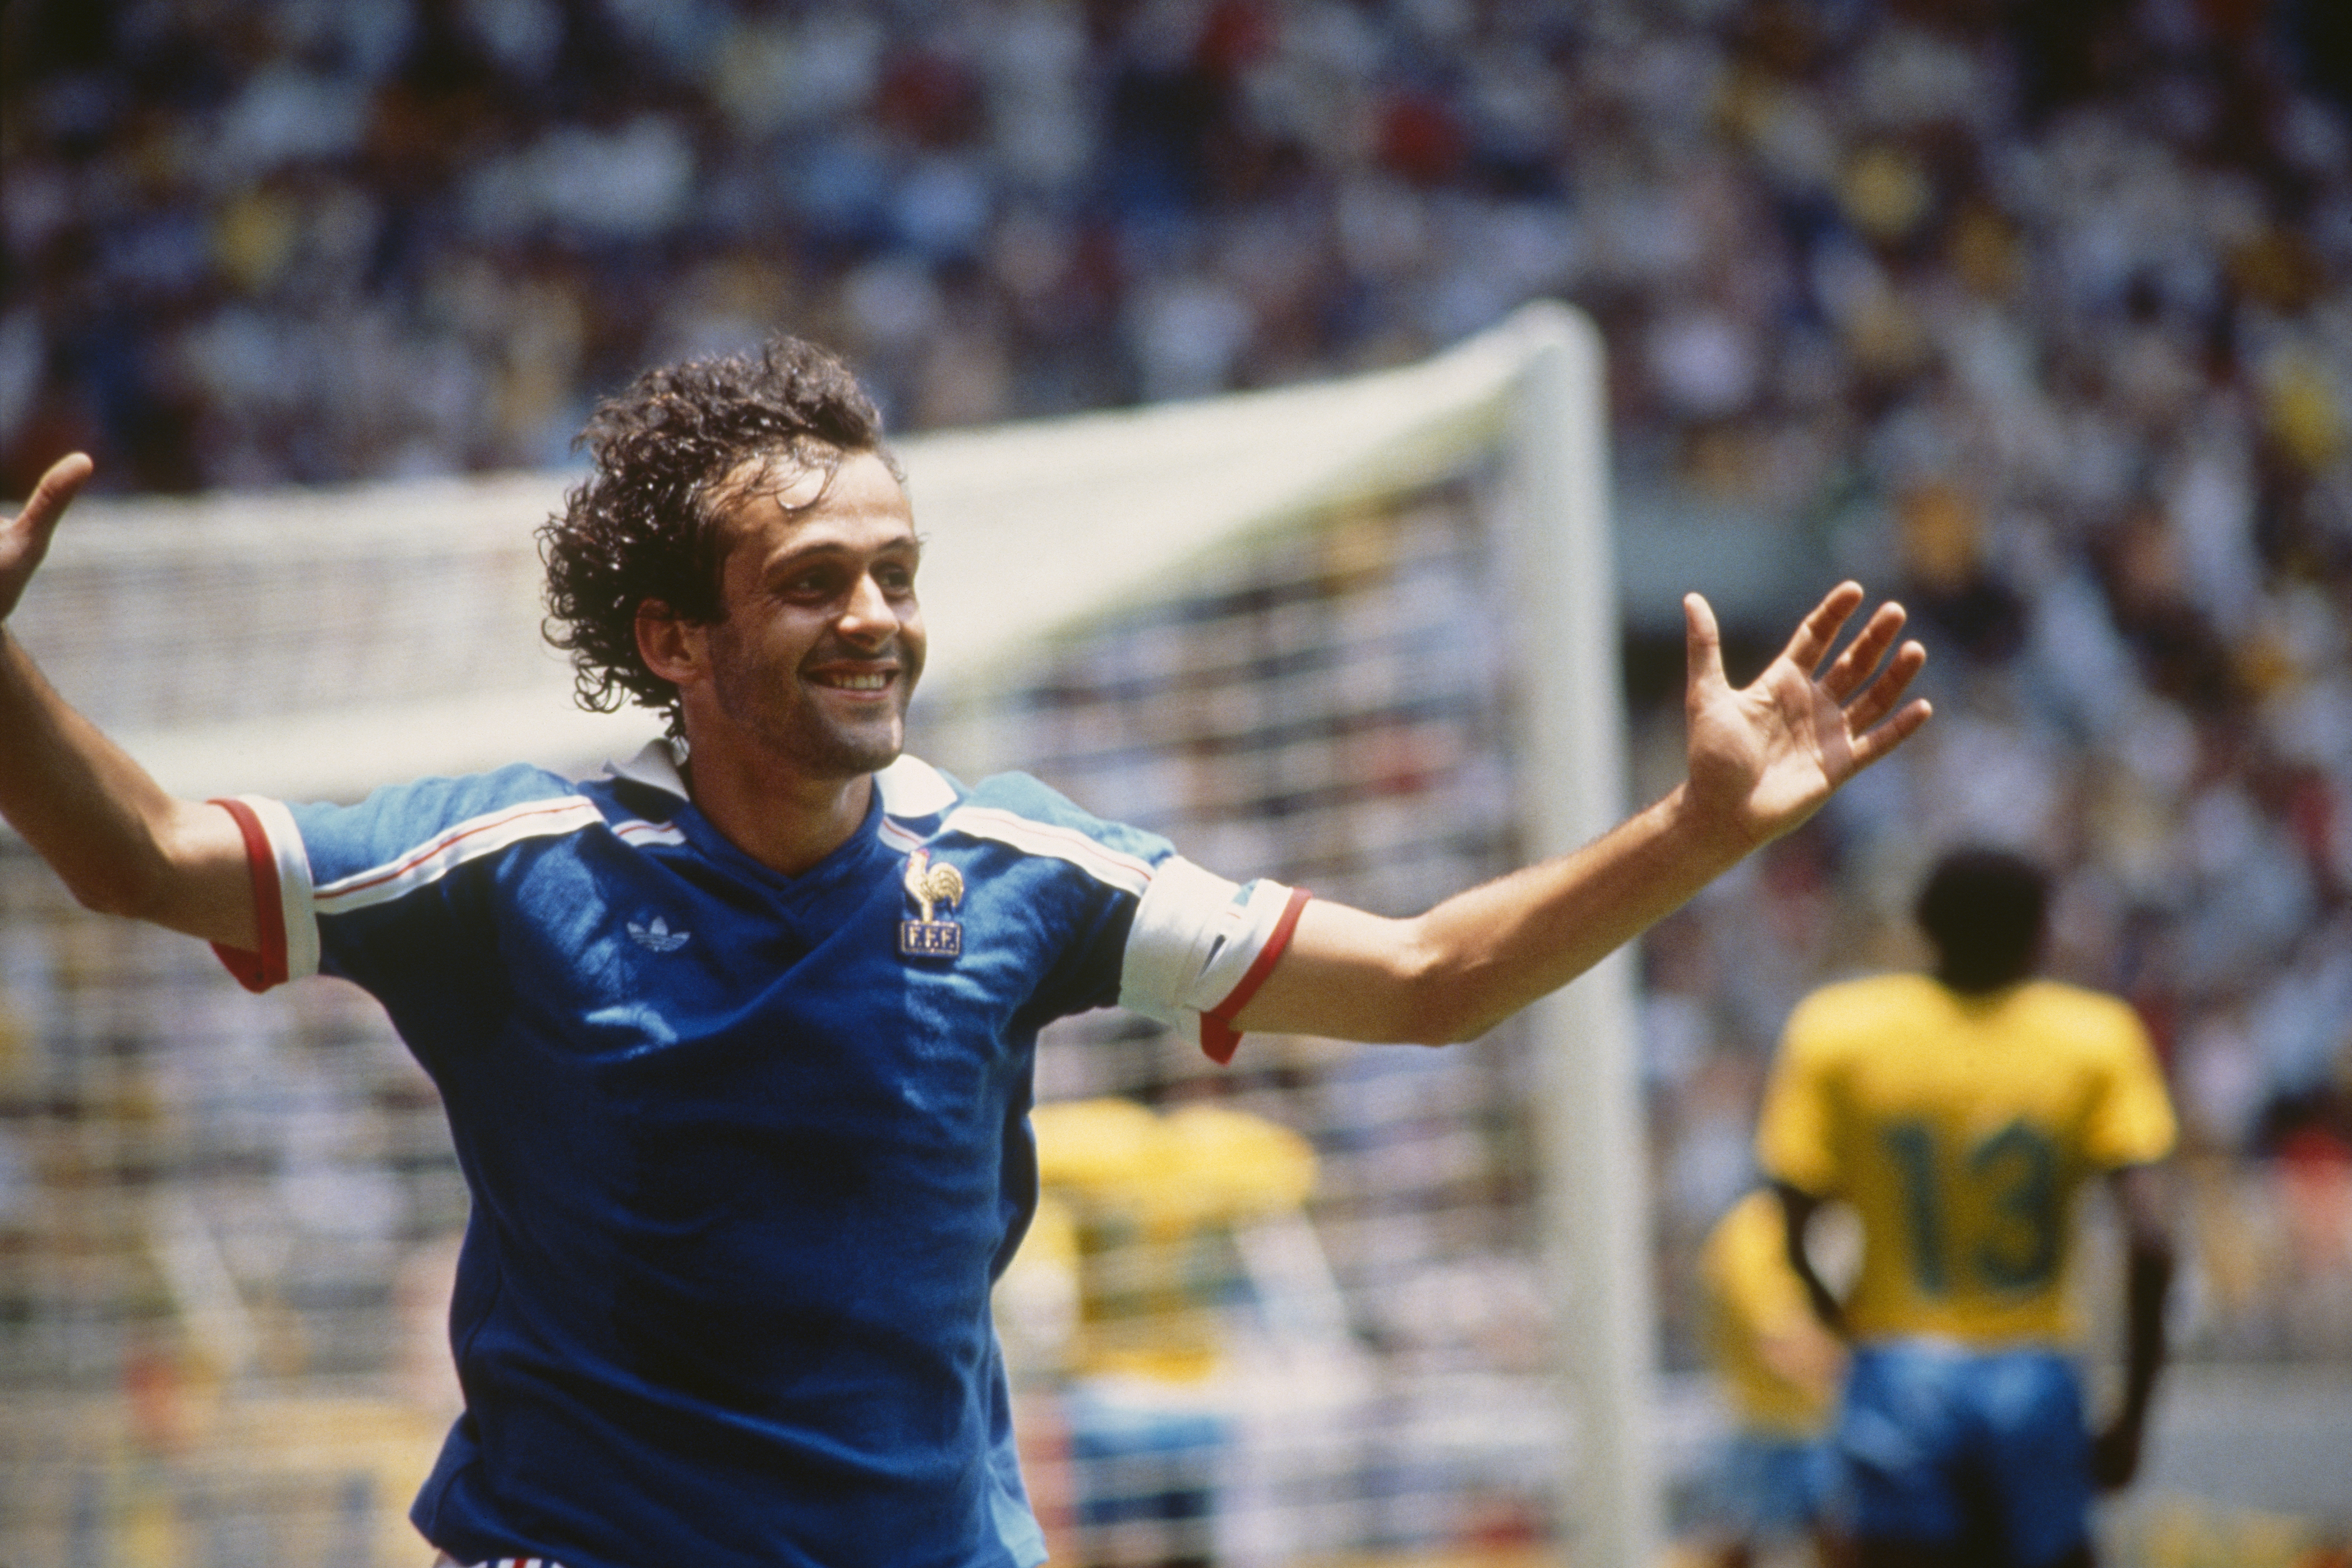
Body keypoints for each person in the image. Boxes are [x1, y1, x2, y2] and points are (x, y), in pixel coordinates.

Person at [0, 335, 1930, 1568]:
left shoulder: (1017, 870)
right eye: (813, 582)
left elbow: (1427, 979)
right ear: (673, 639)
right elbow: (142, 854)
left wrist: (1689, 829)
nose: (875, 618)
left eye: (898, 575)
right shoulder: (507, 864)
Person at [1756, 848, 2178, 1568]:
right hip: (2034, 1375)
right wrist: (2133, 1413)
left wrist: (1840, 1318)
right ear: (2043, 931)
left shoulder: (1839, 1031)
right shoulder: (2095, 1038)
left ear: (1924, 924)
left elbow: (1792, 1216)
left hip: (1901, 1373)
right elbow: (2152, 1240)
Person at [1695, 1187, 1849, 1568]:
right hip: (1783, 1436)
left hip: (1791, 1429)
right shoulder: (1759, 1231)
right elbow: (1781, 1344)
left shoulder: (1798, 1225)